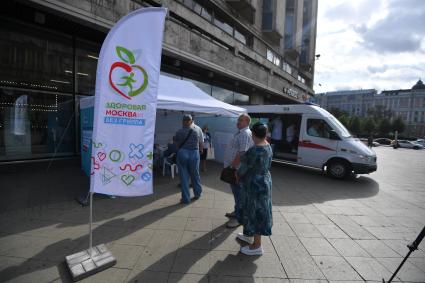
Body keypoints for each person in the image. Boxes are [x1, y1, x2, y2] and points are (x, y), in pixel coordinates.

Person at [236, 122, 273, 256]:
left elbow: (242, 169)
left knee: (256, 212)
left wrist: (237, 176)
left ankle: (257, 246)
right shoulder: (268, 145)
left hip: (254, 185)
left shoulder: (254, 150)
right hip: (265, 181)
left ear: (253, 134)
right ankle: (249, 234)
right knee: (255, 210)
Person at [223, 113, 254, 228]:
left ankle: (239, 218)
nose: (238, 122)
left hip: (237, 169)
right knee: (237, 194)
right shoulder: (241, 132)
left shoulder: (245, 134)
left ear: (247, 122)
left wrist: (233, 168)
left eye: (241, 120)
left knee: (239, 194)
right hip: (235, 168)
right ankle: (237, 212)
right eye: (238, 120)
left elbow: (242, 153)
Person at [175, 114, 203, 204]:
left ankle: (186, 199)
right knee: (195, 175)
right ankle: (197, 194)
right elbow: (199, 143)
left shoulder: (179, 131)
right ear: (191, 121)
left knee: (184, 177)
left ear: (182, 122)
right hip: (194, 153)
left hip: (183, 153)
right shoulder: (196, 131)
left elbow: (176, 143)